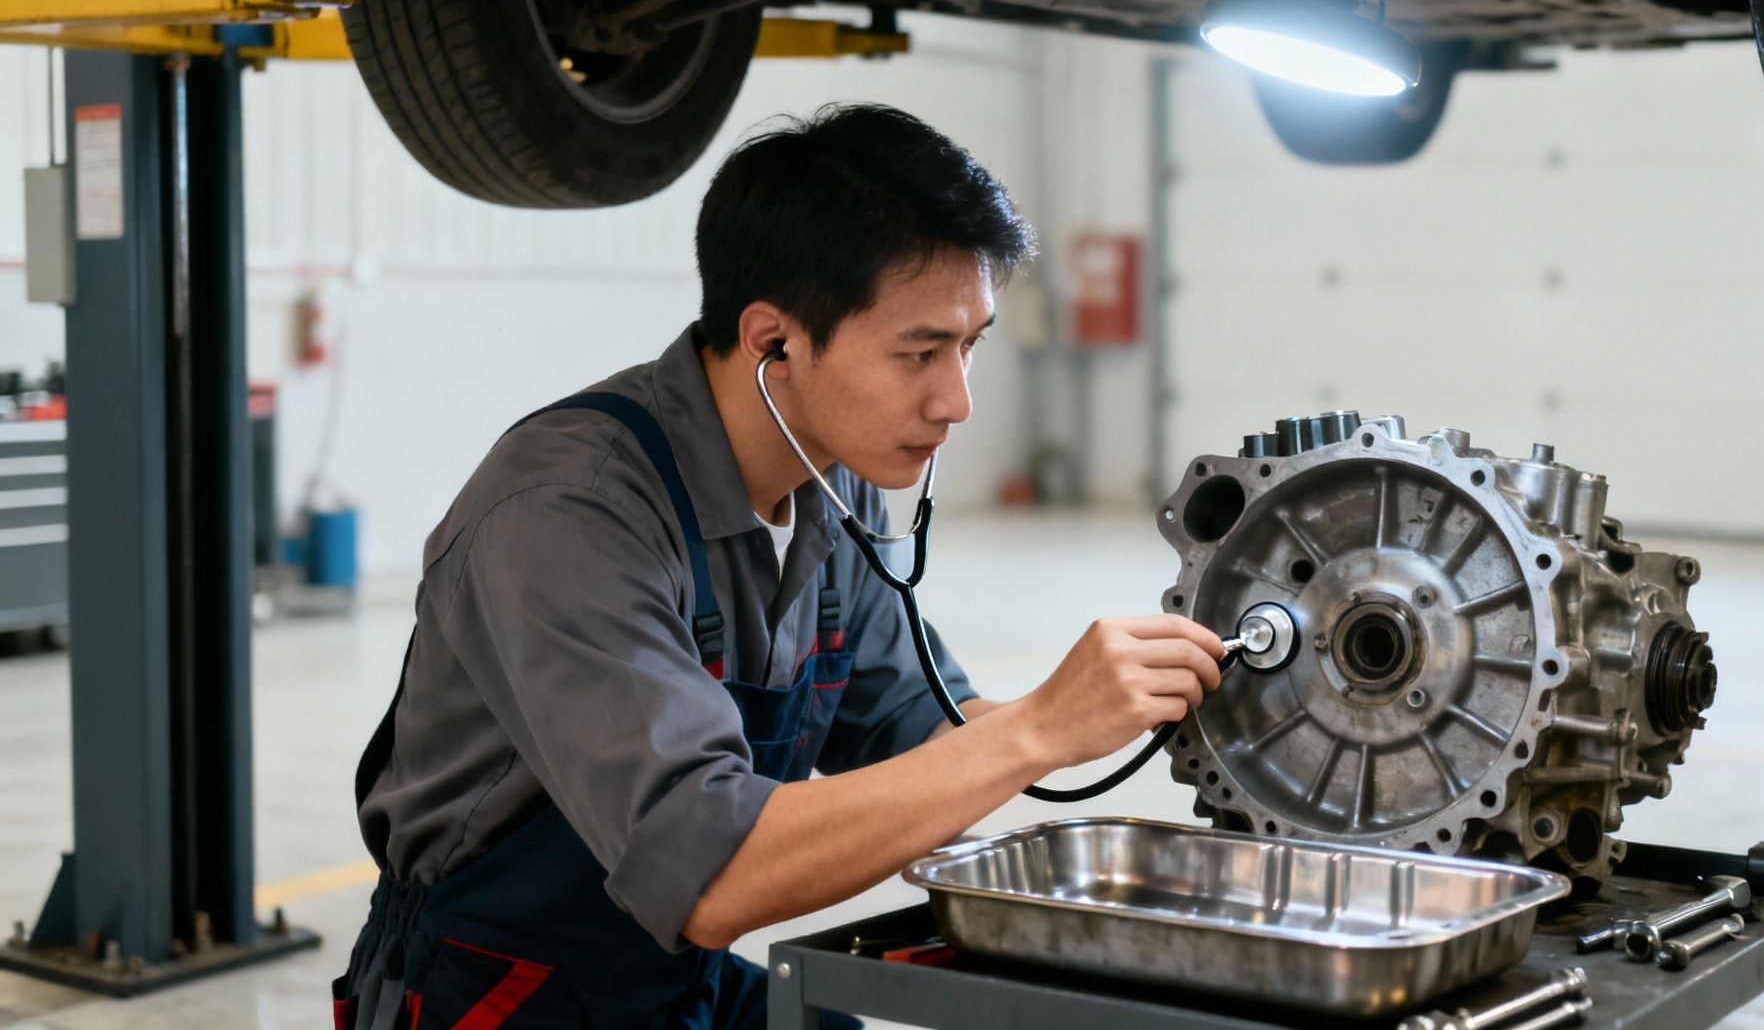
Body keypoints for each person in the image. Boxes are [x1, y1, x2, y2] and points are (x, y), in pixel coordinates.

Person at [332, 103, 1227, 1029]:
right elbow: (710, 875)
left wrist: (1135, 703)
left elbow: (930, 733)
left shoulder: (830, 482)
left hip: (669, 979)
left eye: (969, 346)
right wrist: (1039, 728)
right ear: (775, 344)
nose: (956, 399)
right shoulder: (567, 514)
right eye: (919, 352)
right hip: (499, 992)